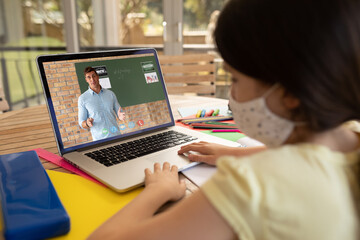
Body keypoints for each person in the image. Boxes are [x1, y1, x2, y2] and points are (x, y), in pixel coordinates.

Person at [88, 0, 360, 239]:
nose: (231, 93)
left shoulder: (252, 185)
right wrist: (233, 153)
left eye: (235, 78)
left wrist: (157, 191)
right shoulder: (352, 137)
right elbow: (310, 156)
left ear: (289, 92)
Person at [78, 67, 125, 141]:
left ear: (97, 76)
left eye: (94, 76)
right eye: (89, 77)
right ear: (86, 80)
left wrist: (120, 116)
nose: (92, 79)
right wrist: (87, 123)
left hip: (116, 136)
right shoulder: (82, 99)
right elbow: (81, 122)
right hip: (99, 141)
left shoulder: (110, 94)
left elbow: (119, 112)